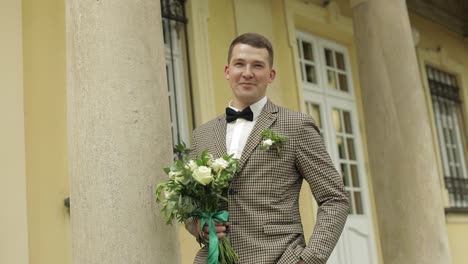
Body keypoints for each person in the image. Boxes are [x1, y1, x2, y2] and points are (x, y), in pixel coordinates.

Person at [186, 32, 349, 264]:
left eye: (258, 66)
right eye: (239, 64)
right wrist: (200, 225)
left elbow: (334, 198)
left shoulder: (296, 125)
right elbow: (193, 206)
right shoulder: (202, 134)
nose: (247, 73)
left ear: (270, 74)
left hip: (278, 257)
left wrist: (311, 259)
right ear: (227, 71)